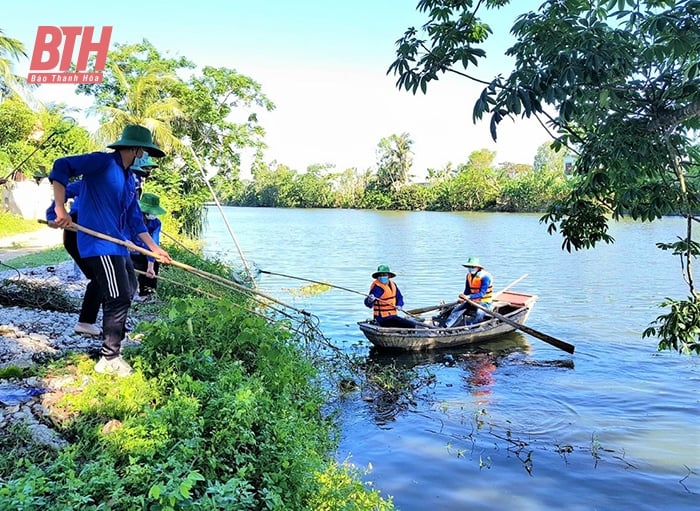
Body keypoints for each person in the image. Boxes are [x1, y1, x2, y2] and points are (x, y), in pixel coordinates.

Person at [49, 124, 171, 377]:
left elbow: (136, 220)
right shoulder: (102, 163)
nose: (145, 157)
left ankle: (117, 337)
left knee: (129, 288)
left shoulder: (128, 179)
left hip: (119, 245)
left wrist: (154, 250)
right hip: (99, 245)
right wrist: (59, 209)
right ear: (136, 149)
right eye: (145, 151)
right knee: (116, 296)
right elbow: (62, 165)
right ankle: (109, 358)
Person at [46, 179, 103, 336]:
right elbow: (62, 194)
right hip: (77, 230)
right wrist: (53, 214)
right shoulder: (89, 182)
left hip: (95, 233)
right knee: (101, 277)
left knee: (105, 278)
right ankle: (86, 322)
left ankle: (111, 323)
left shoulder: (121, 184)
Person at [130, 192, 166, 300]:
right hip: (128, 249)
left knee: (154, 263)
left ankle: (146, 295)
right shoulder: (132, 217)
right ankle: (127, 295)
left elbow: (154, 244)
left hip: (145, 251)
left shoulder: (156, 223)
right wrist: (127, 242)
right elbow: (123, 232)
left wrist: (151, 265)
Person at [443, 257, 494, 327]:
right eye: (469, 267)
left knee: (479, 313)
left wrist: (468, 297)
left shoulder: (485, 277)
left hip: (484, 302)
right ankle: (446, 326)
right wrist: (463, 298)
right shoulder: (468, 276)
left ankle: (472, 327)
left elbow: (482, 293)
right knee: (456, 310)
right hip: (471, 301)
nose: (470, 269)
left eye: (472, 267)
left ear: (478, 267)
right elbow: (467, 290)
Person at [364, 264, 417, 328]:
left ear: (389, 276)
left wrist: (399, 305)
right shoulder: (377, 288)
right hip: (382, 319)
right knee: (411, 325)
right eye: (380, 275)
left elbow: (399, 297)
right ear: (377, 277)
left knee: (411, 322)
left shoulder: (393, 284)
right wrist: (370, 300)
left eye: (384, 275)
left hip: (392, 316)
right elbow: (368, 304)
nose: (382, 277)